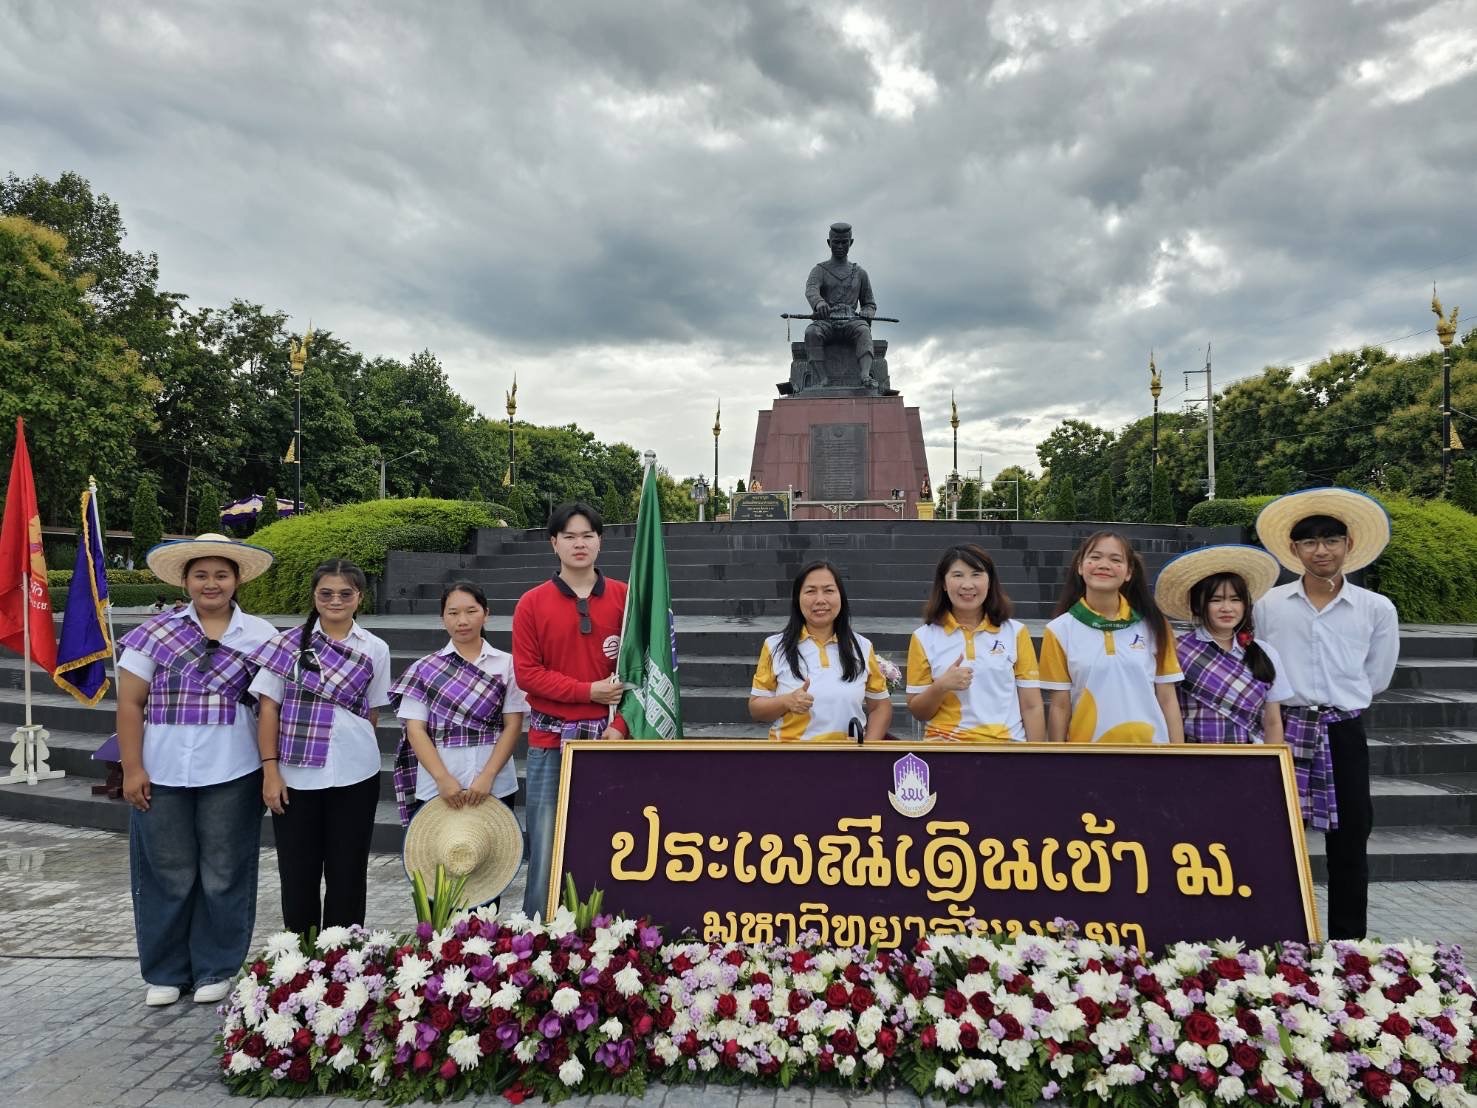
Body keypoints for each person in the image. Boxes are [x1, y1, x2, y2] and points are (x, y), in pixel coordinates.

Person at [115, 533, 276, 1007]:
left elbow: (271, 705)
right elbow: (129, 704)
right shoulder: (154, 633)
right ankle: (164, 971)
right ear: (185, 580)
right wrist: (132, 768)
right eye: (201, 575)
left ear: (237, 579)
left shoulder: (261, 635)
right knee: (167, 871)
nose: (211, 584)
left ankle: (216, 966)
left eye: (221, 575)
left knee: (224, 871)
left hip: (234, 769)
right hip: (161, 770)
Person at [1254, 488, 1399, 940]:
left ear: (1348, 545)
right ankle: (1277, 936)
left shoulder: (1375, 609)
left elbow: (1376, 677)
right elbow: (1258, 667)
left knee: (1351, 838)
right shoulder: (1268, 605)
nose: (1322, 550)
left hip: (1342, 729)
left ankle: (1347, 943)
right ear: (1293, 550)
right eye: (1310, 542)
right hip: (1285, 728)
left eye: (1331, 539)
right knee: (1275, 834)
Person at [249, 559, 392, 934]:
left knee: (349, 872)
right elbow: (268, 708)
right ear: (314, 596)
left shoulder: (375, 649)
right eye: (326, 593)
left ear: (359, 598)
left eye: (345, 593)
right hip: (295, 776)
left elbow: (371, 711)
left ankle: (343, 959)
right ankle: (300, 960)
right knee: (298, 873)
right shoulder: (287, 645)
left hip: (357, 774)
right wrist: (270, 770)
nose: (335, 600)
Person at [512, 502, 628, 921]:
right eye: (570, 536)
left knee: (613, 840)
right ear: (553, 543)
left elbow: (642, 673)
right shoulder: (531, 603)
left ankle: (611, 932)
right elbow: (527, 674)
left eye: (588, 535)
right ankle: (538, 937)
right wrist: (587, 692)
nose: (580, 544)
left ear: (600, 541)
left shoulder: (625, 598)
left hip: (612, 742)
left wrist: (620, 725)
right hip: (550, 742)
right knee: (546, 844)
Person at [389, 581, 527, 825]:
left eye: (471, 611)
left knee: (494, 856)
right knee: (439, 858)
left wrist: (488, 776)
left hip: (495, 782)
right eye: (453, 613)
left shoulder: (507, 665)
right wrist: (442, 779)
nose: (462, 620)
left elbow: (513, 726)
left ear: (486, 613)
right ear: (443, 618)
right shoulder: (423, 669)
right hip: (437, 784)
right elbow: (415, 729)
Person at [1038, 530, 1184, 744]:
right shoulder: (1059, 630)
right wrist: (1058, 759)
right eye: (1095, 557)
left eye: (1115, 559)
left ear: (1128, 572)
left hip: (1151, 752)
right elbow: (1060, 706)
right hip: (1088, 755)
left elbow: (1168, 698)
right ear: (1080, 566)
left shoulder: (1154, 626)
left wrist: (1178, 756)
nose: (1104, 565)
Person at [1153, 545, 1293, 745]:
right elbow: (1166, 707)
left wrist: (1273, 766)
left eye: (1235, 600)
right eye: (1216, 600)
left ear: (1245, 605)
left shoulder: (1265, 653)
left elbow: (1272, 722)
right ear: (1198, 605)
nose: (1227, 608)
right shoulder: (1177, 650)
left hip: (1249, 761)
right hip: (1196, 760)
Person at [905, 544, 1045, 741]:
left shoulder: (1016, 632)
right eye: (958, 575)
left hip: (1006, 748)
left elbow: (1032, 706)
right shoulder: (923, 637)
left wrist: (1037, 759)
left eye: (976, 574)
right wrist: (941, 686)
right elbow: (919, 712)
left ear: (990, 581)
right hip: (946, 749)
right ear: (944, 584)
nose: (967, 585)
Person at [749, 560, 893, 742]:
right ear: (797, 598)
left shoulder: (862, 647)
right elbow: (756, 708)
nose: (820, 600)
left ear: (841, 596)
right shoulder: (775, 646)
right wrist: (785, 701)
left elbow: (880, 706)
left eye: (829, 590)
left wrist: (867, 749)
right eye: (810, 591)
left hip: (846, 760)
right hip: (790, 758)